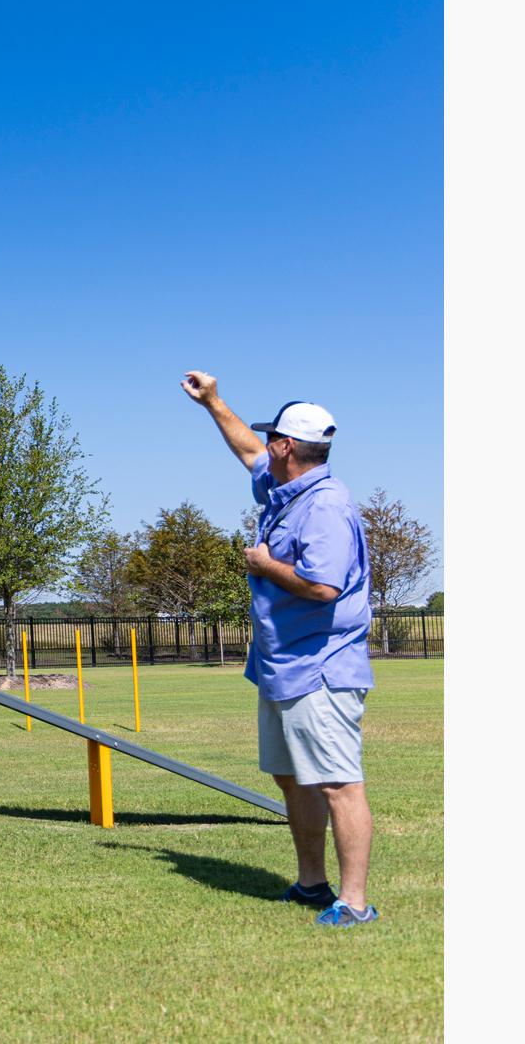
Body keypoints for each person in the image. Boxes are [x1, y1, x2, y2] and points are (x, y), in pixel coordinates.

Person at [181, 371, 379, 928]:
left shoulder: (325, 507)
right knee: (292, 778)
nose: (264, 445)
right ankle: (313, 885)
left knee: (339, 783)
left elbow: (323, 587)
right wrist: (213, 402)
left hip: (321, 667)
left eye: (274, 439)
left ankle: (356, 903)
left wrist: (265, 565)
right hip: (281, 663)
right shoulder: (282, 485)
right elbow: (246, 447)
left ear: (288, 447)